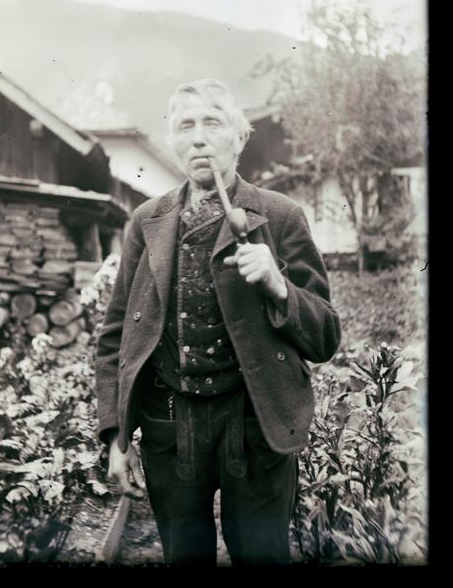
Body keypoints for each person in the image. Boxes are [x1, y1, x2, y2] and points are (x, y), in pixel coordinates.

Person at [94, 79, 341, 566]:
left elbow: (326, 336)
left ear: (240, 137)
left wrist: (279, 286)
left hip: (255, 424)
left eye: (213, 123)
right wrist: (115, 436)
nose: (199, 138)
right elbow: (115, 336)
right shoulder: (146, 220)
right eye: (185, 126)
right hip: (170, 425)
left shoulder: (280, 216)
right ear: (172, 140)